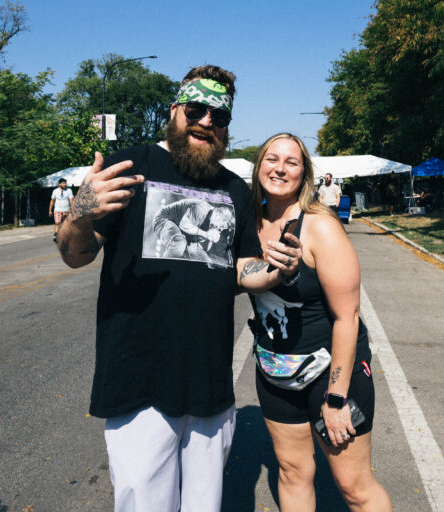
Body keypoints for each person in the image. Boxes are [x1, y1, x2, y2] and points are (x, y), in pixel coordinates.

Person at [56, 65, 302, 512]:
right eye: (197, 109)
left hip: (210, 386)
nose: (207, 121)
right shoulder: (130, 166)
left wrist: (276, 272)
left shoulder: (234, 190)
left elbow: (243, 267)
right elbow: (76, 254)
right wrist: (79, 214)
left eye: (219, 116)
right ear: (175, 111)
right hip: (137, 383)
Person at [248, 133, 392, 511]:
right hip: (275, 372)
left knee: (354, 487)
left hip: (329, 373)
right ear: (258, 165)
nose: (279, 168)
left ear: (304, 173)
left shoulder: (319, 225)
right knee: (292, 472)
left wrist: (336, 397)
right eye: (271, 159)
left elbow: (348, 317)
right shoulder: (248, 224)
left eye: (291, 162)